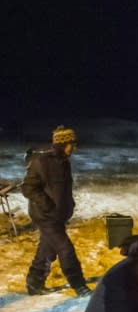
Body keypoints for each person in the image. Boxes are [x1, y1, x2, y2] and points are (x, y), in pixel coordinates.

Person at [21, 125, 91, 296]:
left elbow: (63, 189)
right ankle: (79, 285)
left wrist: (69, 204)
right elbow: (28, 188)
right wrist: (47, 205)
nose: (74, 147)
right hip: (45, 216)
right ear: (62, 143)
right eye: (71, 143)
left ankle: (34, 283)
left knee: (47, 248)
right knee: (65, 249)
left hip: (58, 215)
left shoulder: (64, 162)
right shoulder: (41, 162)